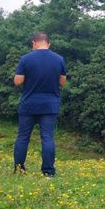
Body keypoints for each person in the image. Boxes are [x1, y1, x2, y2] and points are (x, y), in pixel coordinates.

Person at [13, 31, 67, 177]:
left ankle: (19, 169)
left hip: (29, 103)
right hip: (50, 104)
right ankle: (48, 172)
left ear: (34, 43)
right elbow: (62, 82)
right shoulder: (59, 59)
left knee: (23, 137)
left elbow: (18, 81)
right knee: (48, 137)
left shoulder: (25, 59)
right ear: (48, 43)